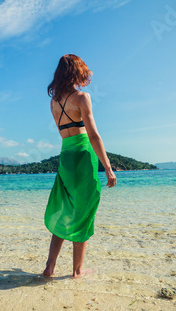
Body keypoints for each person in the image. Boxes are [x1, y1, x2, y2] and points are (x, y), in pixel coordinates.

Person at [43, 54, 117, 279]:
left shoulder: (54, 102)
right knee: (84, 213)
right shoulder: (82, 98)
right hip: (84, 156)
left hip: (66, 157)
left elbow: (62, 134)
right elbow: (93, 135)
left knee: (65, 210)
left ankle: (50, 268)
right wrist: (108, 167)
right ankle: (77, 271)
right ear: (77, 72)